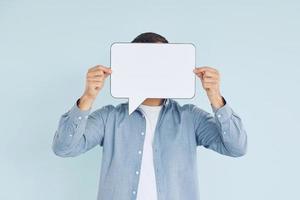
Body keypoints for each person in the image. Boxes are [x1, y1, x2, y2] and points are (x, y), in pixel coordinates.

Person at [52, 32, 247, 200]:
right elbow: (64, 148)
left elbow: (237, 147)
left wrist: (215, 97)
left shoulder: (190, 118)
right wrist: (88, 97)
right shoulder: (109, 118)